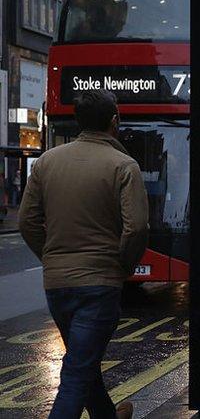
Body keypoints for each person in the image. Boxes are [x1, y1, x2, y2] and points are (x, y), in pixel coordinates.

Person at [19, 89, 149, 419]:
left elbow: (27, 221)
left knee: (83, 361)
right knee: (76, 373)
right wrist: (122, 267)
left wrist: (51, 257)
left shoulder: (47, 161)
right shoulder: (124, 165)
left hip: (57, 284)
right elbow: (136, 229)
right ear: (114, 121)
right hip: (100, 282)